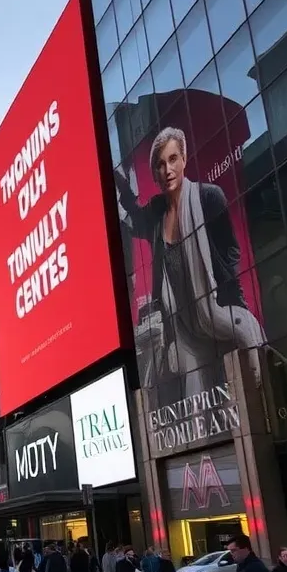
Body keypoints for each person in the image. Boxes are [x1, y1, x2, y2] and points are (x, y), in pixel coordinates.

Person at [115, 127, 266, 394]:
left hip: (218, 311)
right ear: (155, 174)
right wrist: (118, 182)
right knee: (194, 399)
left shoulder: (209, 197)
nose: (168, 170)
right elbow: (137, 220)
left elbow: (230, 251)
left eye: (173, 159)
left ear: (184, 159)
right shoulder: (157, 213)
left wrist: (228, 295)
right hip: (184, 328)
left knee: (250, 386)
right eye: (160, 165)